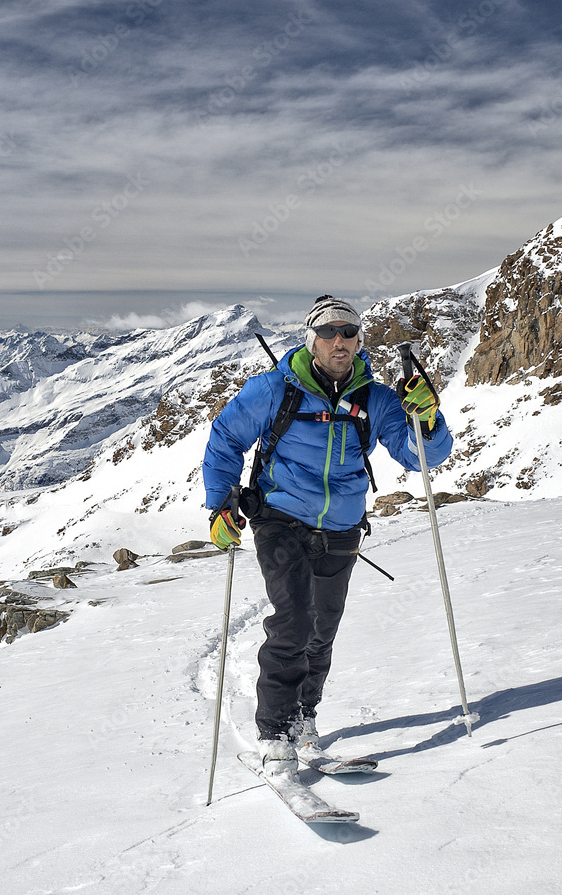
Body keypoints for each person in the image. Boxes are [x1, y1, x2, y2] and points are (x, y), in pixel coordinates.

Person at [202, 294, 453, 774]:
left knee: (322, 631)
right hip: (280, 516)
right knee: (294, 619)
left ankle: (304, 717)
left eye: (349, 332)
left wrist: (427, 419)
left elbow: (422, 455)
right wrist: (220, 504)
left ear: (360, 340)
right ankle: (275, 733)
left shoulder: (375, 399)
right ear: (311, 339)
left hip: (341, 525)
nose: (340, 340)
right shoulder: (275, 389)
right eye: (329, 332)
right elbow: (226, 439)